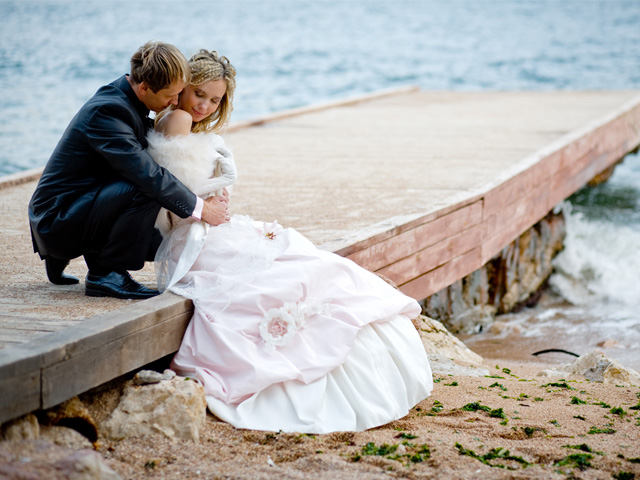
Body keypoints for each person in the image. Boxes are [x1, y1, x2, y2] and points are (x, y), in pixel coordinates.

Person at [149, 50, 433, 433]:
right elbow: (169, 189)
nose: (204, 106)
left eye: (215, 100)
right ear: (183, 85)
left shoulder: (177, 119)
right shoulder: (179, 119)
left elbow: (180, 182)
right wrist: (207, 201)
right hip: (197, 236)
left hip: (206, 225)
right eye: (199, 93)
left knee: (300, 263)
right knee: (301, 271)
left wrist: (212, 196)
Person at [28, 41, 230, 299]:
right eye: (170, 95)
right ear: (144, 87)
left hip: (70, 207)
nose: (175, 101)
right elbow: (148, 175)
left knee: (161, 239)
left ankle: (62, 257)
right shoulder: (108, 111)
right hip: (57, 221)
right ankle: (106, 274)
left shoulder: (125, 97)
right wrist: (203, 209)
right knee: (147, 184)